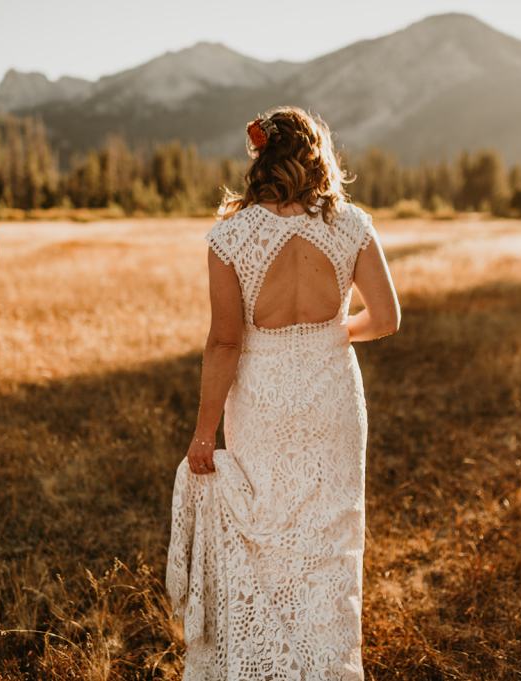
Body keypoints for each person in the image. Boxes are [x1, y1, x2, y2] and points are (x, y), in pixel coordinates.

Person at [166, 106, 400, 678]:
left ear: (260, 157)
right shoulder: (351, 225)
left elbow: (225, 342)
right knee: (331, 541)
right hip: (332, 395)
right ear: (317, 153)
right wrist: (331, 335)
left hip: (262, 400)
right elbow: (387, 318)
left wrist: (203, 434)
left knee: (264, 535)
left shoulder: (230, 237)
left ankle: (269, 665)